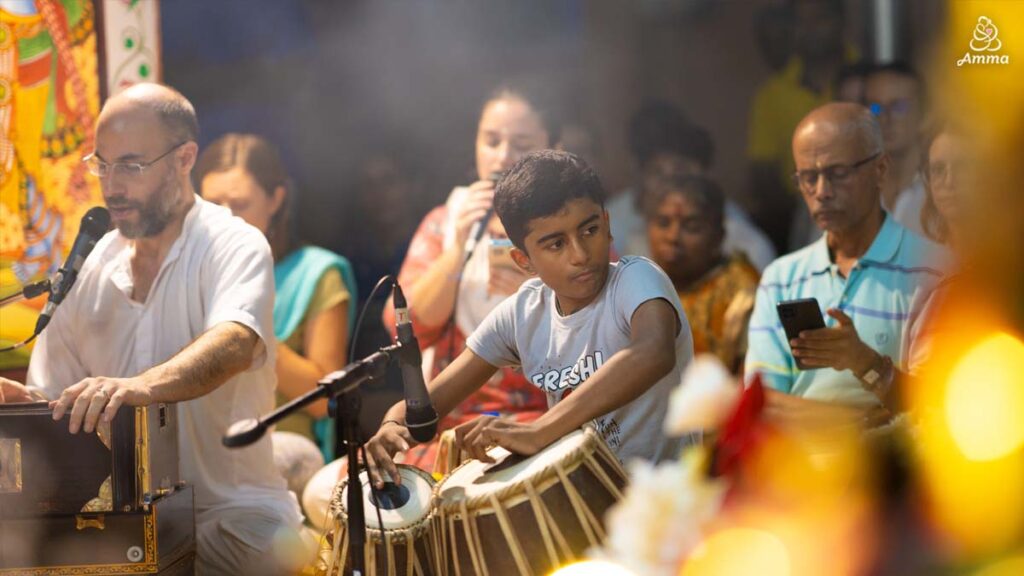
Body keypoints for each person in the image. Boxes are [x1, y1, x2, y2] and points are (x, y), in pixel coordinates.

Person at [0, 84, 303, 574]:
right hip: (119, 531)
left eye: (132, 165)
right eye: (102, 164)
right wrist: (25, 405)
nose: (112, 185)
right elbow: (59, 398)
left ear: (185, 158)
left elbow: (234, 343)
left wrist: (139, 386)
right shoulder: (91, 266)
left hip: (232, 517)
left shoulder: (234, 244)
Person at [366, 150, 693, 488]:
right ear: (524, 261)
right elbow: (425, 408)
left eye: (590, 230)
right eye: (555, 244)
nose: (580, 255)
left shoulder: (636, 278)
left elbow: (653, 352)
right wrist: (393, 426)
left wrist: (541, 429)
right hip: (585, 501)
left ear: (608, 226)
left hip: (665, 504)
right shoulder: (523, 314)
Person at [378, 85, 554, 471]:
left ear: (548, 145)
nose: (503, 156)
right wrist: (457, 250)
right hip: (448, 420)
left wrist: (538, 292)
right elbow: (405, 329)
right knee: (340, 487)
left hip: (535, 418)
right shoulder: (446, 221)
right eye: (491, 141)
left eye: (521, 143)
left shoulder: (566, 224)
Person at [745, 103, 946, 413]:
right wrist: (861, 426)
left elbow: (934, 408)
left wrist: (862, 361)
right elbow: (762, 405)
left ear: (880, 169)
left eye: (837, 174)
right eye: (808, 178)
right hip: (794, 459)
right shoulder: (781, 277)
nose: (822, 191)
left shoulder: (932, 271)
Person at [196, 133, 357, 466]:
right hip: (201, 437)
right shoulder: (188, 271)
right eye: (213, 205)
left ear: (275, 200)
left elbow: (322, 402)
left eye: (240, 205)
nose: (225, 218)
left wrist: (248, 327)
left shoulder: (316, 273)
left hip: (282, 445)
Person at [609, 100, 777, 271]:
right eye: (657, 172)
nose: (669, 181)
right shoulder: (632, 242)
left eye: (680, 169)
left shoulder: (747, 246)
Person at [746, 0, 857, 253]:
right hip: (798, 216)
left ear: (841, 23)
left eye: (821, 19)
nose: (810, 29)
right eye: (801, 21)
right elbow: (763, 172)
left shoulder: (864, 77)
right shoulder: (772, 94)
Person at [645, 174, 760, 373]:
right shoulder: (639, 283)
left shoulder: (742, 292)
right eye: (663, 223)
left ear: (718, 236)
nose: (673, 237)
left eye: (692, 227)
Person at [865, 62, 928, 237]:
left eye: (898, 107)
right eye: (875, 108)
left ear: (924, 115)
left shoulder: (943, 192)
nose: (885, 118)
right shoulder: (856, 191)